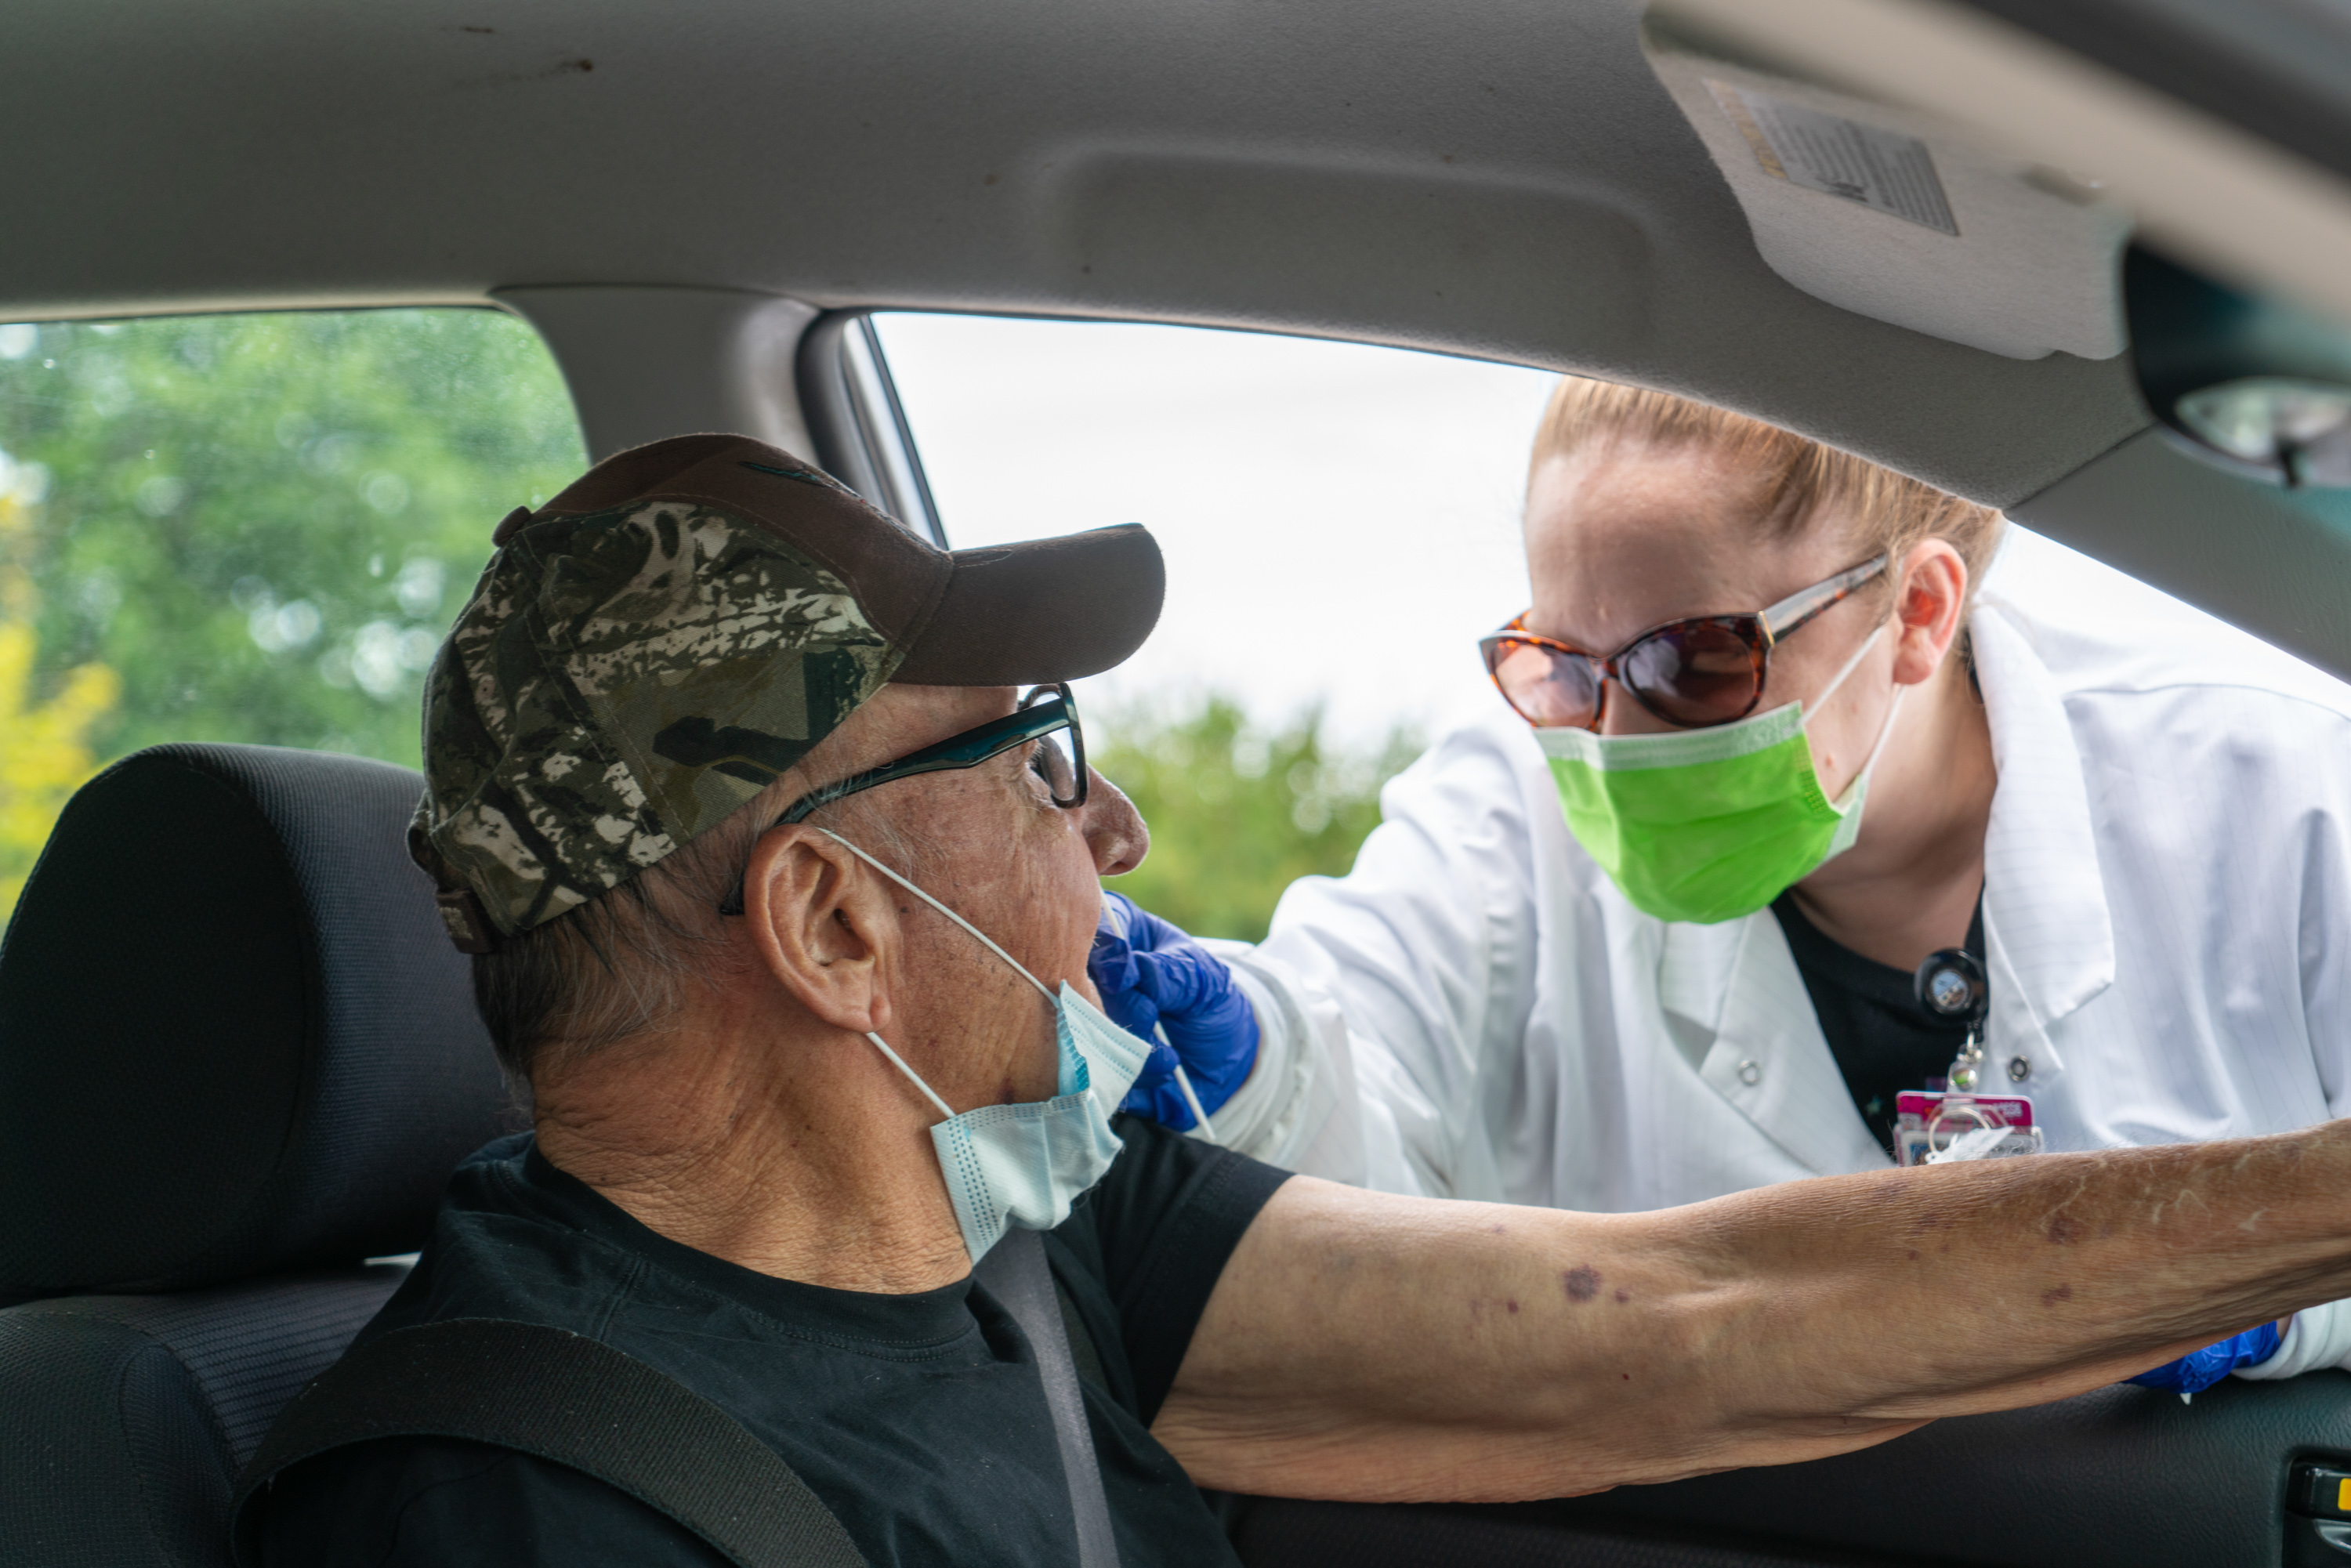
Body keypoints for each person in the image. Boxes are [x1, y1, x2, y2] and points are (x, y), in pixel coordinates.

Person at [252, 433, 2351, 1568]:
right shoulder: (516, 1498)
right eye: (1028, 760)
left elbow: (1722, 1320)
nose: (1121, 832)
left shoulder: (1041, 1249)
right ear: (829, 927)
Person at [1121, 378, 2351, 1390]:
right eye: (1557, 666)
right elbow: (1356, 1064)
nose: (1612, 738)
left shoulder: (2287, 807)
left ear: (1918, 613)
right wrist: (1257, 1058)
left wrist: (2272, 1302)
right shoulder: (1507, 817)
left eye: (1696, 661)